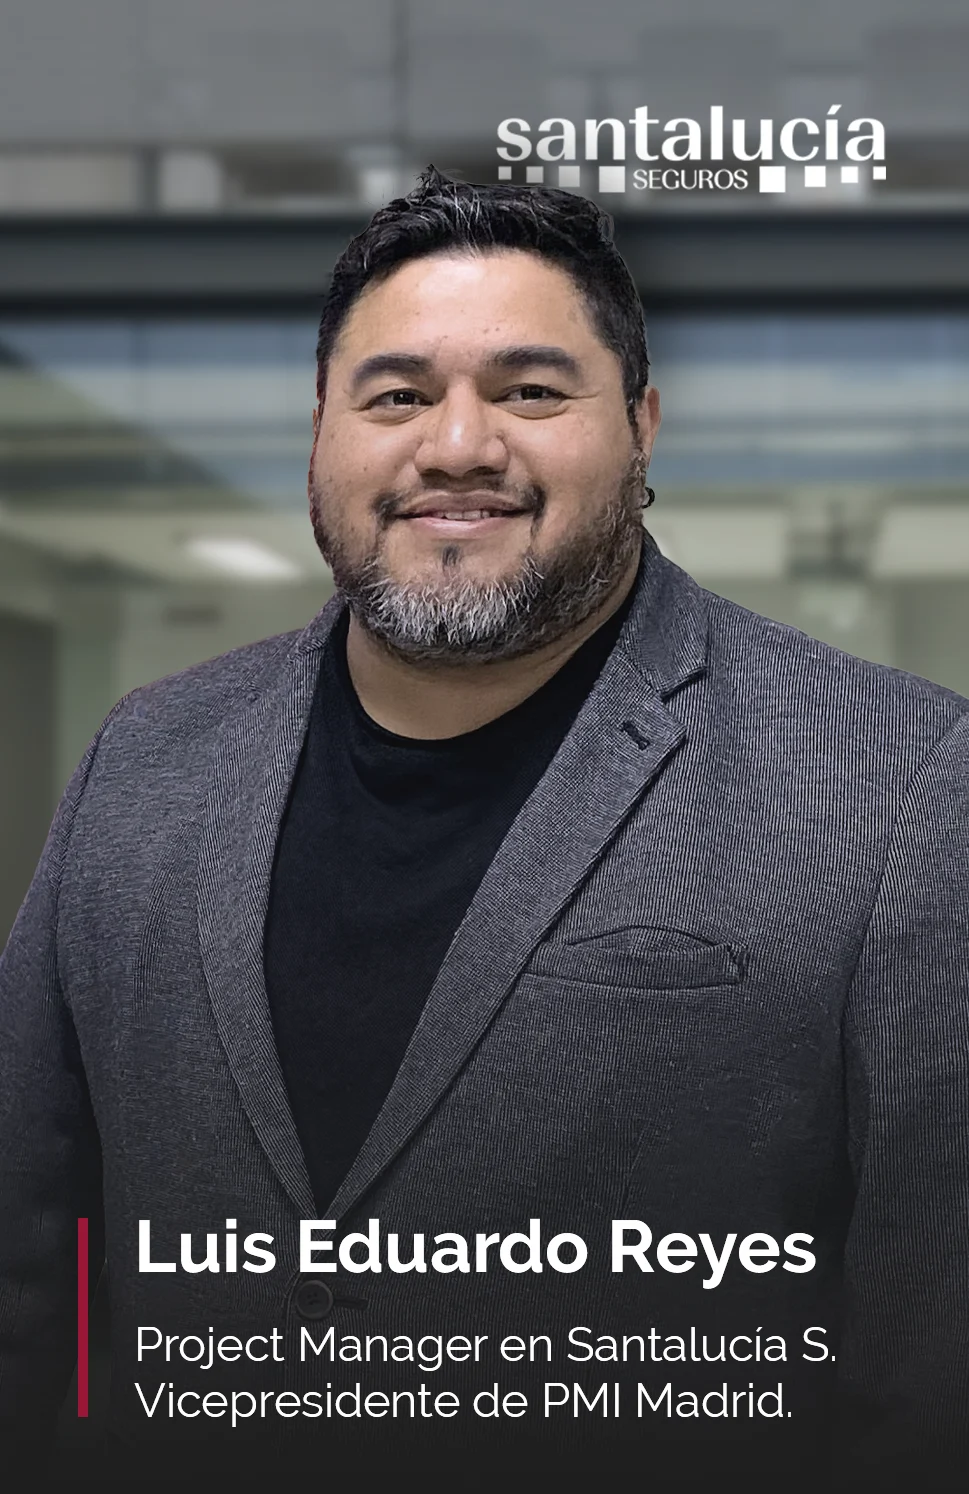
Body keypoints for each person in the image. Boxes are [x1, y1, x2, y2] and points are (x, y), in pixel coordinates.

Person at [1, 166, 968, 1489]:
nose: (457, 445)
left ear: (641, 426)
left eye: (528, 390)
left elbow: (934, 1366)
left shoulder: (900, 775)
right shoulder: (145, 756)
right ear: (321, 436)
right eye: (395, 395)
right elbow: (33, 1246)